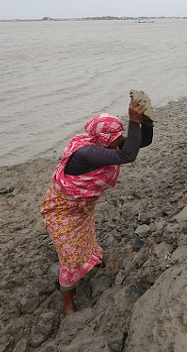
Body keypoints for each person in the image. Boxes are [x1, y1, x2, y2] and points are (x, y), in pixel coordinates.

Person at [40, 99, 153, 316]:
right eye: (117, 139)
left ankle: (88, 267)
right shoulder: (87, 153)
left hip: (81, 209)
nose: (120, 142)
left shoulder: (104, 144)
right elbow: (127, 155)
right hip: (61, 211)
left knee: (86, 241)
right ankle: (67, 304)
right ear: (104, 139)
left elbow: (139, 144)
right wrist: (133, 120)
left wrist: (145, 121)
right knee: (69, 256)